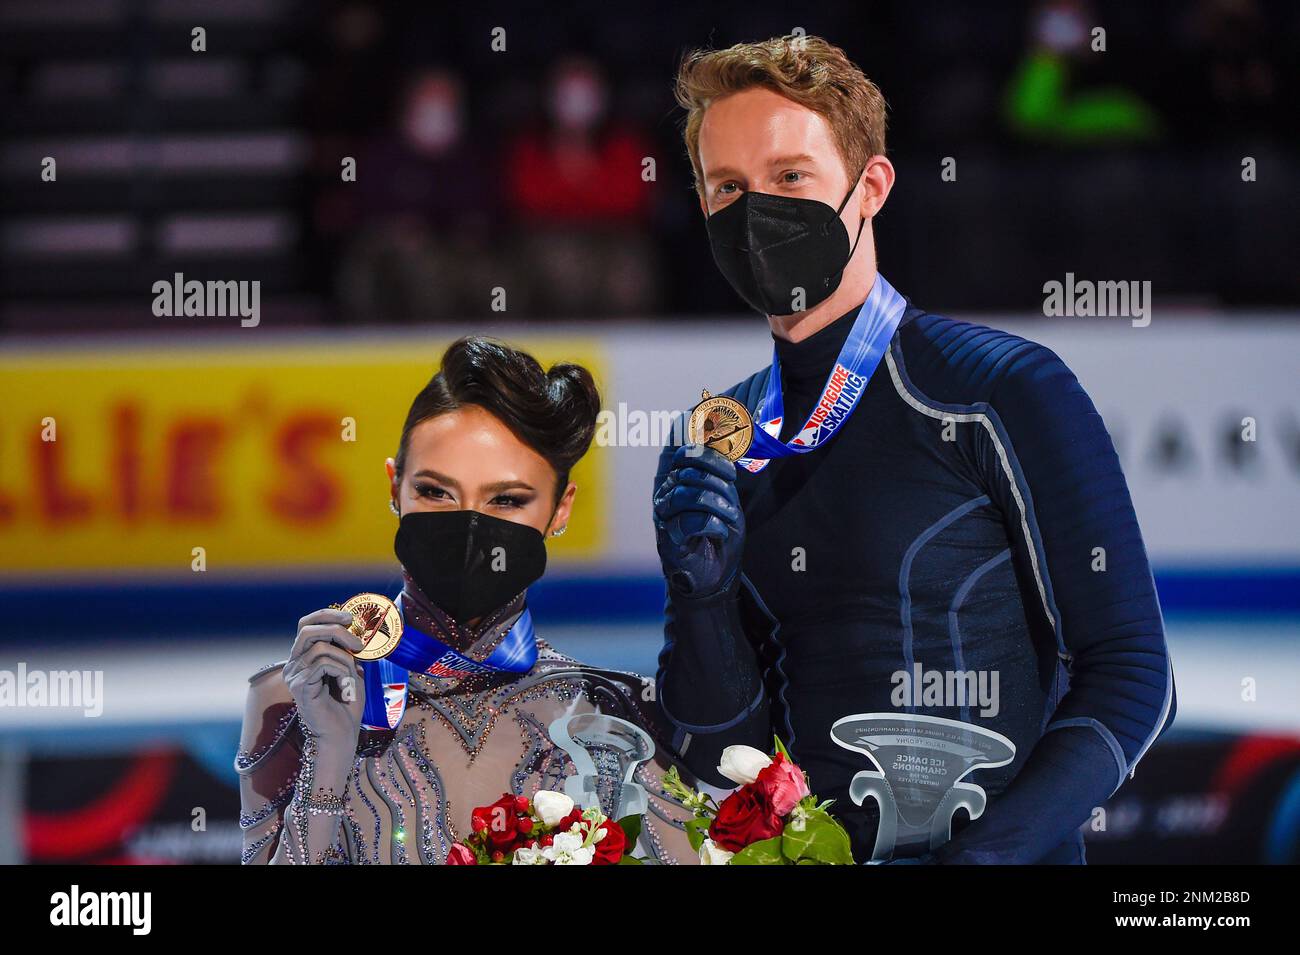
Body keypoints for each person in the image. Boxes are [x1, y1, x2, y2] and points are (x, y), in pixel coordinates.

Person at [652, 35, 1175, 864]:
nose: (757, 212)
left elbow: (1134, 674)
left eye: (790, 177)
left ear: (872, 187)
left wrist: (986, 858)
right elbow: (716, 759)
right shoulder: (717, 439)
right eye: (728, 187)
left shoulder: (1001, 388)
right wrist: (702, 604)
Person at [237, 336, 697, 864]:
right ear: (395, 487)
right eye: (435, 491)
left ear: (559, 509)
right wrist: (330, 751)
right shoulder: (294, 697)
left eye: (506, 500)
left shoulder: (620, 710)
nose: (470, 526)